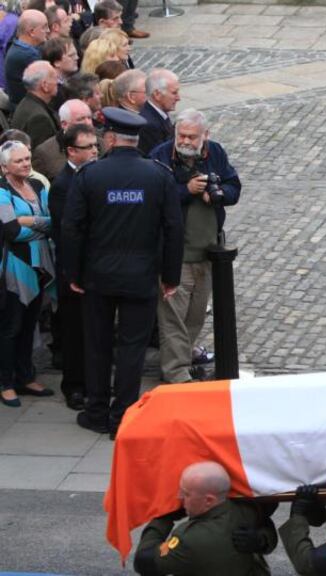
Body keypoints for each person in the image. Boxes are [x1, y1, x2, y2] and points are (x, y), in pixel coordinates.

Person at [63, 107, 183, 439]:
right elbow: (174, 229)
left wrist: (72, 272)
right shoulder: (157, 175)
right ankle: (124, 416)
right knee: (132, 347)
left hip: (98, 276)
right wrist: (170, 276)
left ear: (111, 138)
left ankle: (97, 409)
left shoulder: (90, 175)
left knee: (98, 344)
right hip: (141, 276)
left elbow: (72, 228)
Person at [150, 109, 240, 384]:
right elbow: (153, 201)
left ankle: (182, 361)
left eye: (192, 136)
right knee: (173, 318)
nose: (186, 141)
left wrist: (219, 194)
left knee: (196, 314)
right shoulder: (160, 156)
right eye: (182, 135)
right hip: (176, 255)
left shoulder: (216, 153)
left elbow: (234, 186)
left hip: (209, 251)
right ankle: (176, 372)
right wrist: (185, 191)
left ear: (205, 136)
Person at [133, 461, 277, 575]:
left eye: (186, 494)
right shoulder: (245, 511)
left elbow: (144, 561)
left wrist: (163, 519)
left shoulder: (188, 539)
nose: (180, 497)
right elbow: (266, 523)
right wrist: (261, 540)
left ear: (208, 500)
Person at [0, 140, 56, 408]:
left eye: (27, 158)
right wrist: (40, 225)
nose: (25, 163)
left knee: (29, 322)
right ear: (4, 167)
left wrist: (27, 221)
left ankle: (25, 376)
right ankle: (6, 382)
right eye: (19, 161)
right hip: (14, 267)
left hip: (39, 264)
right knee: (11, 325)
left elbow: (54, 220)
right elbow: (10, 232)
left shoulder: (36, 186)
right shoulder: (1, 191)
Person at [46, 122, 97, 411]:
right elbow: (67, 232)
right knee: (74, 332)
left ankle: (93, 380)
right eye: (87, 147)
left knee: (94, 330)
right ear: (71, 151)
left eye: (94, 146)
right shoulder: (63, 185)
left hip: (94, 269)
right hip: (73, 270)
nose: (93, 151)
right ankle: (74, 385)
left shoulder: (93, 176)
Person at [11, 61, 60, 154]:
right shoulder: (39, 119)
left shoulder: (26, 103)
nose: (57, 81)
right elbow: (43, 157)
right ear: (45, 85)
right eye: (55, 77)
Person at [3, 9, 47, 108]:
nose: (48, 30)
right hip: (30, 111)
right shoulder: (27, 55)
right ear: (32, 32)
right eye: (44, 27)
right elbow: (45, 87)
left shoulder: (17, 47)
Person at [138, 69, 179, 156]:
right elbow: (161, 156)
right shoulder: (149, 125)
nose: (178, 98)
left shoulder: (159, 112)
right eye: (174, 93)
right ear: (157, 94)